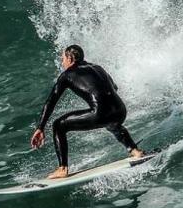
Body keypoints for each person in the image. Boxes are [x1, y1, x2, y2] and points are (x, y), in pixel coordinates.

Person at [30, 45, 143, 179]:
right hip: (120, 110)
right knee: (112, 123)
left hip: (101, 113)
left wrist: (40, 127)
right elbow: (114, 88)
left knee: (58, 125)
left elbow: (51, 101)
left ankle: (62, 169)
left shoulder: (67, 75)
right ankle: (135, 151)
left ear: (70, 58)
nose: (62, 62)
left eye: (63, 59)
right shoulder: (98, 68)